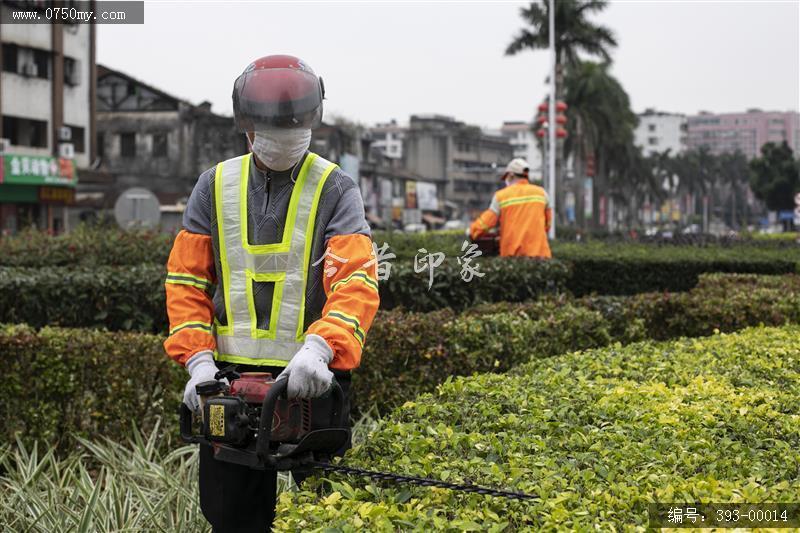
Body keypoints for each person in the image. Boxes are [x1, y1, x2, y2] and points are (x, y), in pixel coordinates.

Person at [163, 54, 380, 532]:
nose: (282, 137)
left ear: (311, 123)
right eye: (272, 127)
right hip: (227, 382)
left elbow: (356, 280)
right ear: (247, 126)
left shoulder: (336, 188)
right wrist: (198, 362)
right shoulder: (213, 186)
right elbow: (186, 284)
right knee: (231, 517)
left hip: (314, 380)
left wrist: (322, 348)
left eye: (292, 126)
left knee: (328, 515)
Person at [469, 158, 552, 258]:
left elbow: (487, 222)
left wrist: (473, 231)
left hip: (512, 256)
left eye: (506, 177)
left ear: (511, 175)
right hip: (540, 255)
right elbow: (547, 225)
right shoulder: (542, 194)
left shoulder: (501, 196)